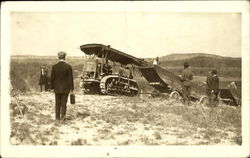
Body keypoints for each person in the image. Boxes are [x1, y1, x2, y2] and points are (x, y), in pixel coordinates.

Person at [51, 51, 74, 122]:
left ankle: (57, 118)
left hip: (57, 88)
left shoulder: (54, 67)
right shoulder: (68, 67)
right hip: (65, 89)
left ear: (58, 57)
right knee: (64, 104)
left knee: (57, 103)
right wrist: (72, 88)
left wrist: (52, 88)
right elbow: (70, 78)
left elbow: (52, 78)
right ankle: (62, 118)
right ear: (65, 57)